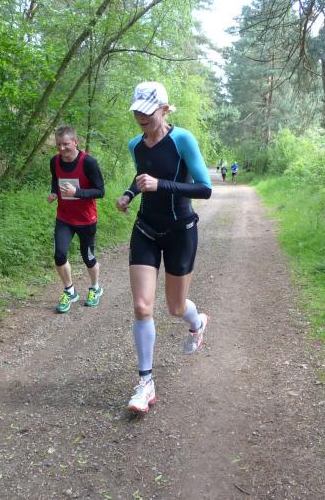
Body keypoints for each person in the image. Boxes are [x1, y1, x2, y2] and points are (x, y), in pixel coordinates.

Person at [115, 82, 212, 414]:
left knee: (175, 307)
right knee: (142, 307)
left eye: (148, 111)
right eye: (137, 112)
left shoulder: (182, 139)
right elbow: (142, 176)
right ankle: (145, 383)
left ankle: (197, 322)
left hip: (180, 231)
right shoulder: (135, 144)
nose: (141, 117)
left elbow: (204, 188)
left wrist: (161, 185)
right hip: (145, 229)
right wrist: (129, 194)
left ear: (165, 109)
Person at [47, 125, 105, 313]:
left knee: (88, 257)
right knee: (59, 255)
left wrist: (77, 192)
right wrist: (54, 193)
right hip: (64, 217)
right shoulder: (54, 161)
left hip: (86, 219)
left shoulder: (89, 162)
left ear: (75, 142)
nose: (61, 148)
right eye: (58, 145)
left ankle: (95, 288)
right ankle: (69, 291)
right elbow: (55, 179)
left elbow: (100, 191)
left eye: (65, 144)